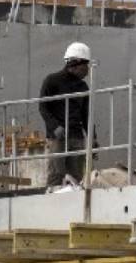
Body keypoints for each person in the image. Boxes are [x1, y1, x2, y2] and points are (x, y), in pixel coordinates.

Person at [40, 41, 91, 189]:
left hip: (76, 137)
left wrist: (92, 137)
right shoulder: (52, 81)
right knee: (56, 175)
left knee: (76, 177)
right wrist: (55, 127)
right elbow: (43, 107)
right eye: (85, 65)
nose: (87, 69)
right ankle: (53, 206)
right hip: (58, 138)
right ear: (74, 63)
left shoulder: (83, 87)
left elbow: (86, 114)